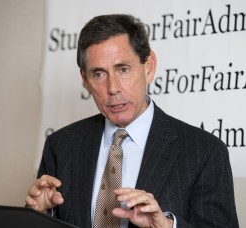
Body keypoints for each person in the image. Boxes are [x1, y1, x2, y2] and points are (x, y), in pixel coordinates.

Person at [26, 14, 239, 228]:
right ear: (85, 80)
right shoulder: (60, 146)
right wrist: (39, 214)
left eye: (123, 69)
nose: (112, 88)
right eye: (99, 74)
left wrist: (166, 226)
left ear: (149, 67)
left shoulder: (205, 151)